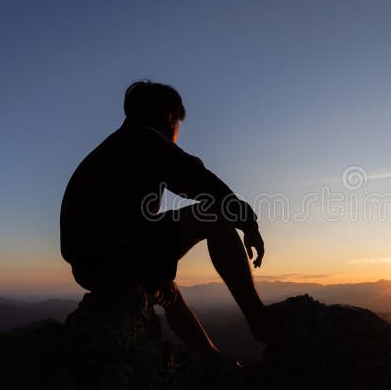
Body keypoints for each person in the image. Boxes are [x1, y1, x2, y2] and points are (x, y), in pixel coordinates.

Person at [60, 80, 273, 352]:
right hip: (113, 255)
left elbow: (116, 220)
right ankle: (259, 320)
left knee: (168, 289)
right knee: (215, 218)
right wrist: (247, 223)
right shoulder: (144, 140)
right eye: (177, 122)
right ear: (169, 117)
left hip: (94, 266)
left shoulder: (115, 148)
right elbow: (197, 179)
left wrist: (150, 268)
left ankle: (214, 360)